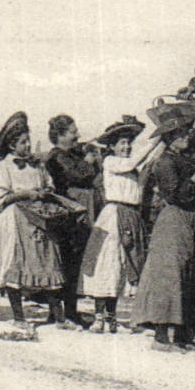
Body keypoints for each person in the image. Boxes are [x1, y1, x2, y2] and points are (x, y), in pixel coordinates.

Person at [132, 111, 195, 351]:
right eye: (182, 134)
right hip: (175, 219)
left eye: (186, 132)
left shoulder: (187, 156)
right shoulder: (164, 163)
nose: (187, 136)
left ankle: (184, 336)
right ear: (171, 138)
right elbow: (181, 195)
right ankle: (162, 339)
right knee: (170, 276)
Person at [0, 112, 65, 342]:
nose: (27, 146)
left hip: (39, 217)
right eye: (22, 142)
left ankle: (56, 315)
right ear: (11, 145)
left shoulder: (37, 165)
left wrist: (45, 192)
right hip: (16, 218)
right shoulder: (3, 167)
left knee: (46, 260)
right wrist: (25, 194)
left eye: (28, 141)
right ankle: (18, 315)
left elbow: (49, 185)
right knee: (15, 263)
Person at [79, 115, 155, 333]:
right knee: (105, 264)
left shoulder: (132, 169)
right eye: (122, 143)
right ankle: (99, 316)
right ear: (111, 147)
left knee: (122, 266)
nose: (127, 146)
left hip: (130, 216)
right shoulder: (111, 162)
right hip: (113, 217)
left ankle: (111, 316)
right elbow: (133, 161)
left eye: (129, 142)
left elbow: (143, 165)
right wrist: (155, 141)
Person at [43, 114, 99, 328]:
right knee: (64, 263)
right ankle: (59, 312)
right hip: (66, 217)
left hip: (79, 216)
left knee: (73, 264)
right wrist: (87, 162)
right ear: (60, 135)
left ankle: (71, 311)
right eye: (73, 132)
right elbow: (77, 176)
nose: (78, 135)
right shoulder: (56, 157)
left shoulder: (71, 154)